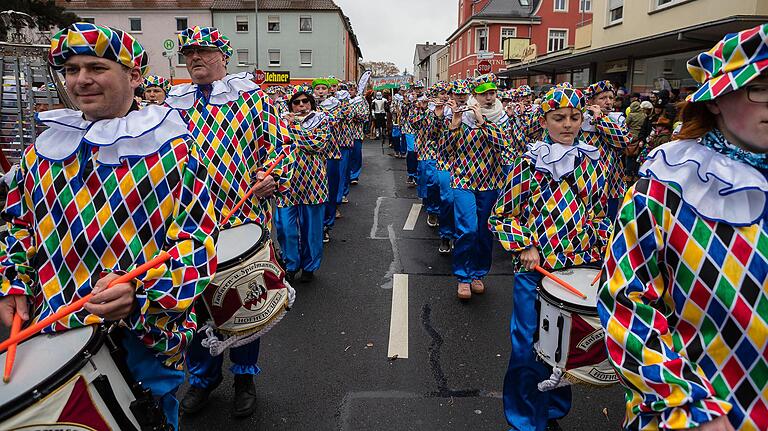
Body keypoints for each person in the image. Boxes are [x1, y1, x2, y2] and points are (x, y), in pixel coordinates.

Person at [0, 23, 217, 430]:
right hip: (51, 332)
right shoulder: (40, 153)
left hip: (142, 338)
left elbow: (198, 244)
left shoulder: (176, 151)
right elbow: (17, 228)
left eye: (96, 67)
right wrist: (10, 285)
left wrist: (140, 291)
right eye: (71, 69)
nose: (81, 80)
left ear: (133, 76)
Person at [598, 23, 768, 431]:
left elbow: (618, 147)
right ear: (715, 100)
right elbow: (627, 303)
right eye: (761, 87)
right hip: (701, 412)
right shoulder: (667, 184)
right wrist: (687, 408)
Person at [165, 25, 290, 419]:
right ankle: (202, 379)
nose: (195, 58)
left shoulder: (253, 100)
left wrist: (273, 175)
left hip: (242, 219)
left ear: (223, 55)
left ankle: (244, 377)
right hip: (188, 225)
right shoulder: (171, 105)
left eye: (203, 51)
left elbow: (282, 146)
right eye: (189, 53)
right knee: (195, 304)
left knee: (242, 301)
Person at [489, 85, 610, 431]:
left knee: (566, 350)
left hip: (576, 271)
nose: (568, 125)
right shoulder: (528, 163)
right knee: (529, 346)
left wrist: (602, 255)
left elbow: (598, 215)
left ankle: (553, 410)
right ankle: (526, 420)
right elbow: (501, 216)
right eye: (559, 118)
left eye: (574, 117)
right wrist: (525, 245)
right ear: (544, 120)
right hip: (536, 271)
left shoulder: (592, 162)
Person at [444, 73, 508, 299]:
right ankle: (463, 276)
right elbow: (445, 151)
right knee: (467, 228)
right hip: (463, 179)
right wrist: (454, 126)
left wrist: (483, 122)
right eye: (484, 94)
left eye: (492, 93)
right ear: (475, 95)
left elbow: (505, 145)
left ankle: (478, 274)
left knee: (483, 231)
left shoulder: (502, 118)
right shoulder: (462, 116)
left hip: (490, 181)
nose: (489, 98)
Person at [276, 85, 329, 283]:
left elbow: (316, 144)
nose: (301, 105)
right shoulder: (280, 123)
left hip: (313, 183)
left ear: (311, 103)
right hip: (286, 182)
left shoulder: (322, 120)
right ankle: (291, 264)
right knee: (284, 227)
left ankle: (309, 266)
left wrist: (295, 127)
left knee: (312, 230)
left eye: (305, 101)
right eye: (296, 102)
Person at [580, 80, 630, 220]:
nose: (608, 102)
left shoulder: (616, 119)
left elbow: (623, 141)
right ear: (590, 101)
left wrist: (600, 119)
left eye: (611, 98)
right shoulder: (580, 119)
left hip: (611, 181)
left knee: (608, 220)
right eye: (602, 98)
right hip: (586, 180)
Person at [312, 78, 343, 242]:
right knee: (313, 192)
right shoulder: (307, 104)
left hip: (331, 154)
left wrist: (314, 114)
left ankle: (326, 225)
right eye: (318, 89)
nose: (321, 91)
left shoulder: (335, 105)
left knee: (330, 190)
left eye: (324, 88)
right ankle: (313, 225)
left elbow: (334, 120)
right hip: (312, 156)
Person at [411, 91, 441, 228]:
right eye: (440, 94)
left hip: (450, 153)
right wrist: (423, 109)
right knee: (429, 179)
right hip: (428, 149)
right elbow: (415, 125)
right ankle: (432, 208)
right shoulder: (425, 110)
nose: (444, 96)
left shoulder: (453, 109)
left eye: (447, 93)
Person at [348, 82, 368, 185]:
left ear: (356, 91)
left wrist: (355, 116)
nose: (349, 92)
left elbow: (365, 115)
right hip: (344, 134)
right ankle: (346, 174)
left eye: (351, 90)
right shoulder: (342, 101)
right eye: (348, 90)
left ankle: (354, 175)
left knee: (356, 154)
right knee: (346, 155)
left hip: (356, 132)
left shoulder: (361, 100)